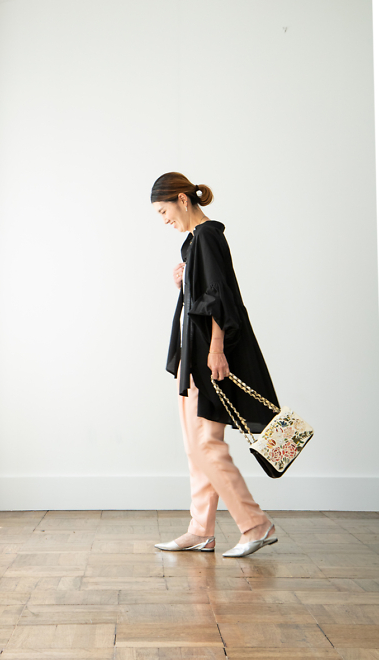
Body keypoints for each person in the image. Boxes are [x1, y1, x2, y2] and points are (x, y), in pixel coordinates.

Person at [151, 172, 280, 557]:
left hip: (208, 357)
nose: (164, 220)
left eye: (163, 211)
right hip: (192, 356)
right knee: (196, 447)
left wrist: (217, 349)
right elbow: (204, 295)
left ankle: (255, 524)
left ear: (182, 199)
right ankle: (200, 530)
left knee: (207, 444)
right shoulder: (195, 242)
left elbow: (219, 298)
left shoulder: (207, 236)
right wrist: (184, 282)